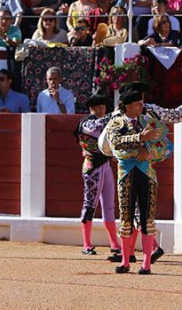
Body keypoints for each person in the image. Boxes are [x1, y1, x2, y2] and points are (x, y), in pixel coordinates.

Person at [105, 89, 171, 275]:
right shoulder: (116, 122)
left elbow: (164, 145)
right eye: (138, 104)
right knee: (126, 217)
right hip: (126, 174)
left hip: (147, 174)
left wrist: (147, 151)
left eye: (142, 103)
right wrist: (140, 139)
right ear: (128, 106)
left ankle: (147, 264)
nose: (142, 106)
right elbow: (116, 143)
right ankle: (125, 262)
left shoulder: (148, 121)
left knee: (147, 218)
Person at [74, 94, 121, 257]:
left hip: (105, 165)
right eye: (97, 107)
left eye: (103, 107)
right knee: (90, 204)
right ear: (91, 109)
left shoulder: (106, 120)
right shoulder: (86, 122)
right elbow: (98, 126)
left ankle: (115, 244)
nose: (101, 110)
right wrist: (115, 113)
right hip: (92, 167)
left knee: (109, 206)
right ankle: (86, 244)